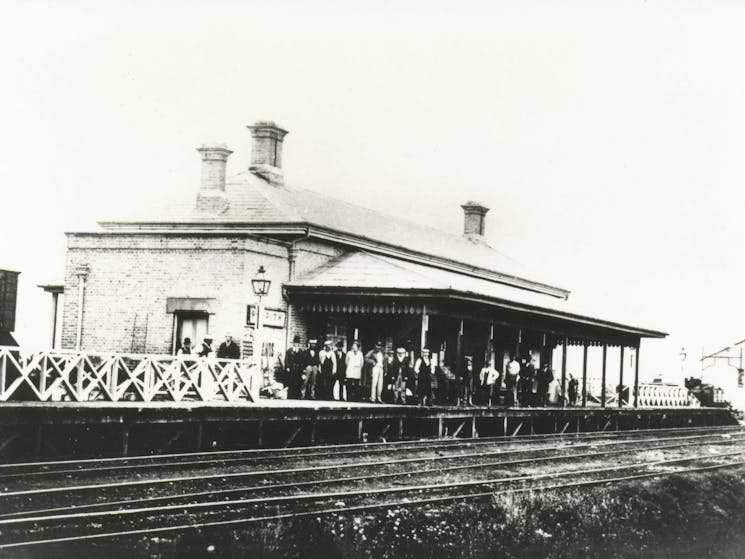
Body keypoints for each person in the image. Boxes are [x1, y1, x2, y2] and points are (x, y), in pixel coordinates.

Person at [284, 335, 305, 399]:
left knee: (298, 382)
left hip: (298, 369)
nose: (296, 344)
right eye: (295, 343)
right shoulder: (289, 351)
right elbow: (286, 359)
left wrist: (302, 369)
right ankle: (290, 396)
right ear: (293, 343)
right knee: (291, 381)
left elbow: (303, 360)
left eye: (297, 343)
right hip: (291, 368)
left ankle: (297, 396)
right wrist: (287, 367)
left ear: (299, 344)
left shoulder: (301, 351)